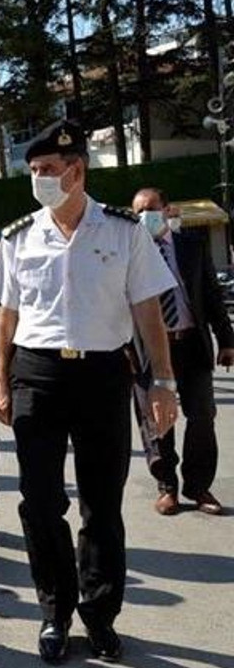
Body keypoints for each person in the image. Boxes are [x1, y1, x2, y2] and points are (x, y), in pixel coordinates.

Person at [0, 120, 179, 663]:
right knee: (40, 503)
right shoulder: (19, 235)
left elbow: (148, 312)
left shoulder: (123, 231)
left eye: (48, 170)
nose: (39, 180)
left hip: (101, 377)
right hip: (37, 376)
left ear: (77, 171)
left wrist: (163, 382)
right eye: (34, 172)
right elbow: (8, 315)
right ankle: (54, 612)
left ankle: (100, 616)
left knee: (102, 505)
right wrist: (1, 380)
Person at [130, 187, 231, 516]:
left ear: (166, 209)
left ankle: (198, 485)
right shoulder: (128, 254)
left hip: (191, 345)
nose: (145, 215)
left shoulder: (191, 247)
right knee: (158, 421)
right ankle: (167, 486)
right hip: (148, 352)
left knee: (202, 416)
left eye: (151, 208)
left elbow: (212, 296)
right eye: (139, 211)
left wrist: (227, 340)